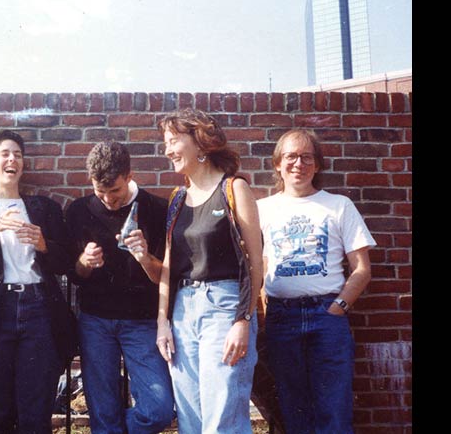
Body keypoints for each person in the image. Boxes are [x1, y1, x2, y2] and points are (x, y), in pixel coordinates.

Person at [0, 130, 76, 434]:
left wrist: (44, 245)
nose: (12, 160)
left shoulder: (44, 209)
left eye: (18, 155)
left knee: (36, 415)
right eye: (5, 154)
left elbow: (66, 264)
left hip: (39, 309)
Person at [154, 108, 264, 434]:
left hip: (225, 307)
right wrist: (162, 322)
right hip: (182, 311)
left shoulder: (234, 189)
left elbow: (255, 262)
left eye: (173, 141)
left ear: (200, 142)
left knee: (222, 418)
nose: (168, 151)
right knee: (190, 419)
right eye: (165, 143)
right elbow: (169, 266)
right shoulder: (177, 199)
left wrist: (243, 319)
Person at [257, 129, 374, 434]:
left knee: (334, 406)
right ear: (278, 164)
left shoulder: (339, 205)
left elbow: (362, 269)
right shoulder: (262, 209)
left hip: (327, 317)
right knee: (292, 406)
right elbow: (259, 264)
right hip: (282, 318)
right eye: (291, 157)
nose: (299, 164)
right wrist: (267, 307)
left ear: (317, 165)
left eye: (307, 157)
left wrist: (339, 306)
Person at [65, 141, 174, 434]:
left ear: (129, 176)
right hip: (95, 321)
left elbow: (165, 277)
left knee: (159, 409)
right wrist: (84, 262)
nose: (108, 200)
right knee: (103, 412)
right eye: (100, 192)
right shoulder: (79, 211)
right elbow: (74, 275)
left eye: (115, 191)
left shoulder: (157, 209)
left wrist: (144, 256)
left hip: (142, 321)